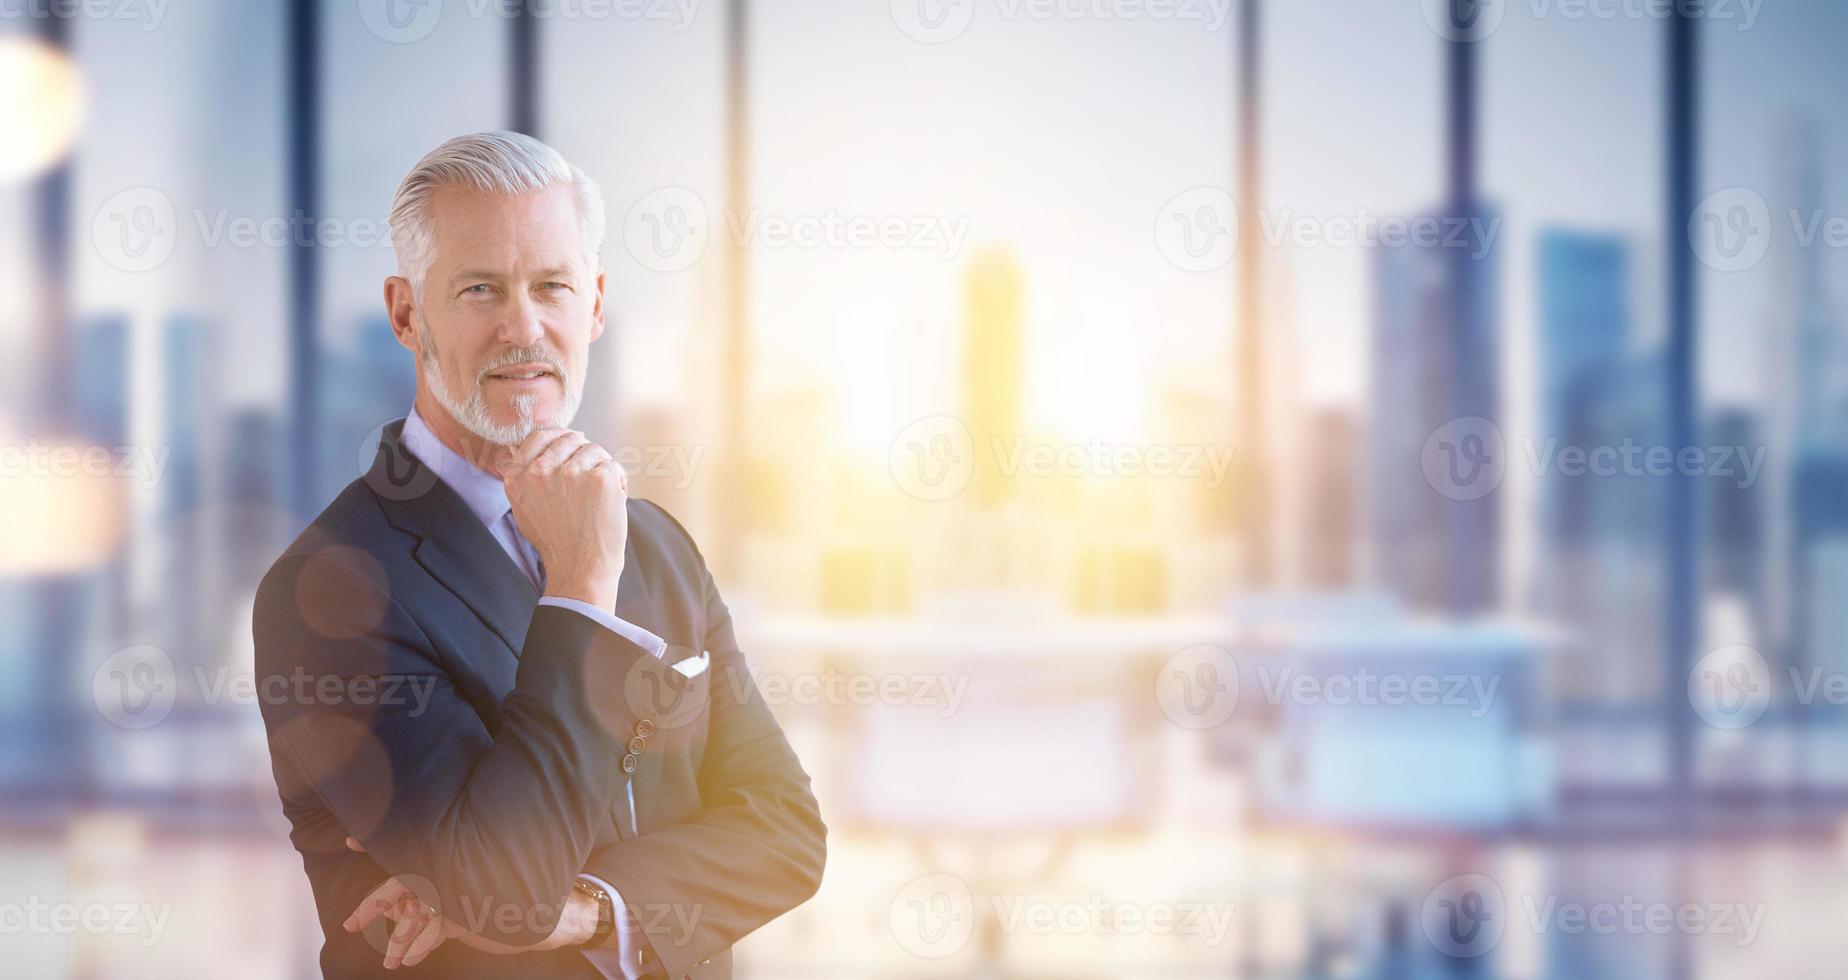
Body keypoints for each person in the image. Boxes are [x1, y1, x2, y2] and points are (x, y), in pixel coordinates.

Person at [253, 131, 825, 978]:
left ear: (593, 304)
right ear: (407, 313)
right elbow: (504, 892)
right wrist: (583, 591)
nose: (524, 328)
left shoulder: (659, 543)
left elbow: (785, 833)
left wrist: (590, 909)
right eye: (480, 288)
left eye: (551, 287)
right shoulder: (329, 588)